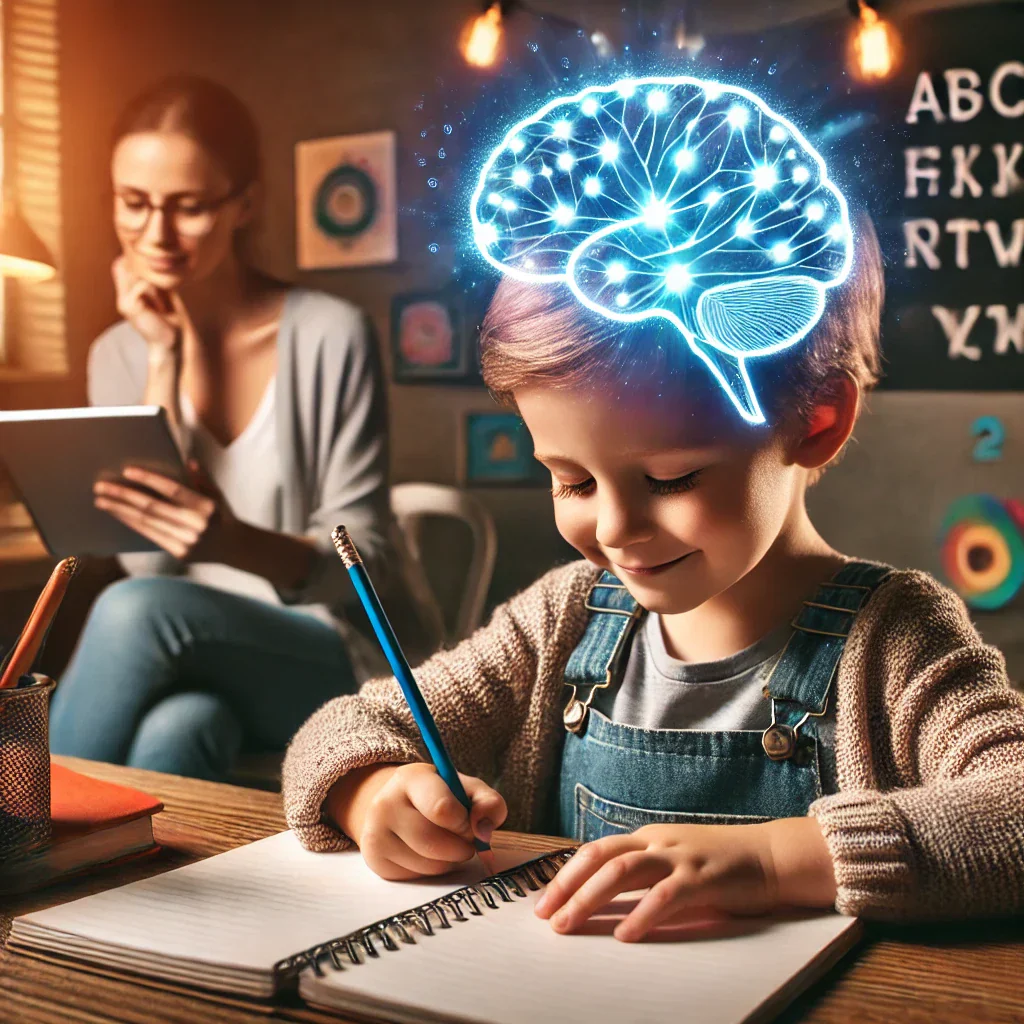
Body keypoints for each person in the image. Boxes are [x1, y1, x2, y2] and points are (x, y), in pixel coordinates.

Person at [281, 217, 1024, 939]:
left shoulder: (895, 640)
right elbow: (342, 728)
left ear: (816, 419)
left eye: (671, 480)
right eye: (572, 483)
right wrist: (371, 791)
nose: (612, 530)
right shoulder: (563, 619)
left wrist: (775, 861)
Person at [50, 76, 435, 782]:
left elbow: (367, 564)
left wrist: (231, 543)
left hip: (335, 654)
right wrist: (163, 357)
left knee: (135, 612)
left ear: (245, 204)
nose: (155, 234)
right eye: (133, 204)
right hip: (191, 657)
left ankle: (15, 836)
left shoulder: (329, 334)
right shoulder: (119, 353)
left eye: (188, 207)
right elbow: (151, 561)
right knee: (184, 727)